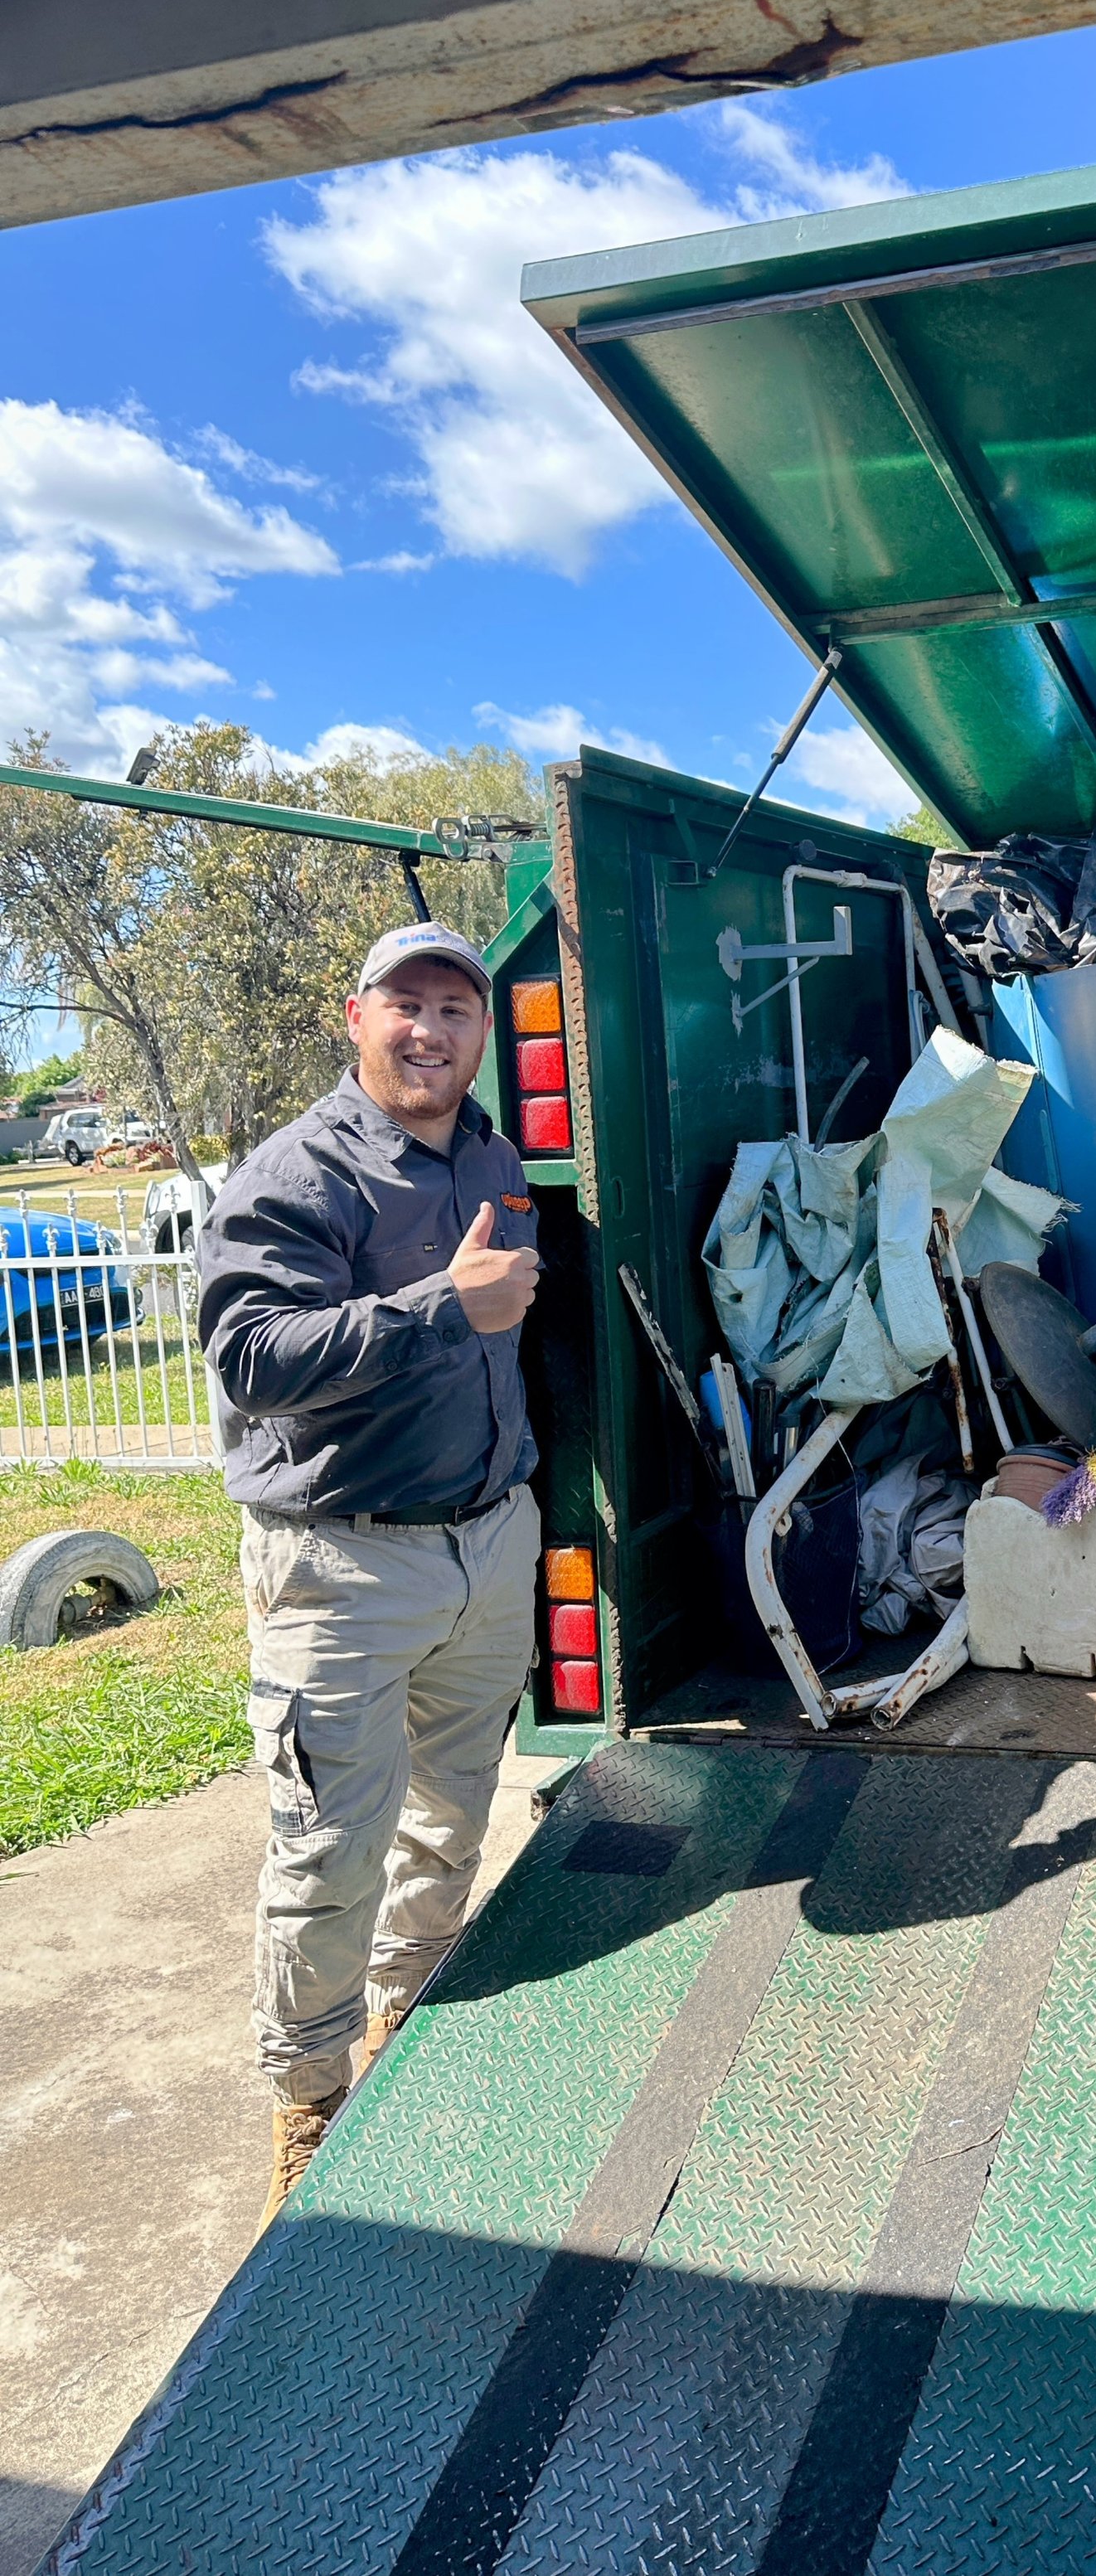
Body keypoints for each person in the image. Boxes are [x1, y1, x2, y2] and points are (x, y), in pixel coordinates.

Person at [197, 920, 542, 2229]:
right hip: (342, 1565)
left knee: (452, 1814)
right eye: (408, 1003)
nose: (434, 1029)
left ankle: (407, 2016)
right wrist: (441, 1305)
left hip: (482, 1544)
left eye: (456, 1007)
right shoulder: (299, 1173)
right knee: (328, 1847)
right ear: (356, 1017)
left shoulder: (494, 1155)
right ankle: (309, 2100)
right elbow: (251, 1353)